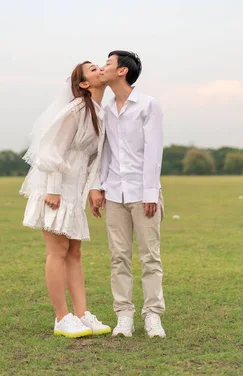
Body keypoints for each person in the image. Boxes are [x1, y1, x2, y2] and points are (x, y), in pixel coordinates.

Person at [20, 61, 111, 338]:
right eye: (92, 69)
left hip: (75, 190)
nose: (99, 69)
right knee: (57, 252)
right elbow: (50, 147)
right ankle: (62, 317)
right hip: (55, 187)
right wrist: (53, 188)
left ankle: (82, 314)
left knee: (75, 252)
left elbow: (95, 158)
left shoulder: (99, 112)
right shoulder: (75, 109)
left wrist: (94, 189)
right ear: (83, 84)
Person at [90, 50, 166, 338]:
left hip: (142, 193)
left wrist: (150, 192)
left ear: (122, 71)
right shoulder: (105, 109)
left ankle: (153, 315)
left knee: (150, 257)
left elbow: (153, 151)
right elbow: (103, 151)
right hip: (113, 193)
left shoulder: (148, 105)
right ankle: (124, 315)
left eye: (108, 63)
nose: (103, 66)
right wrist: (96, 186)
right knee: (118, 257)